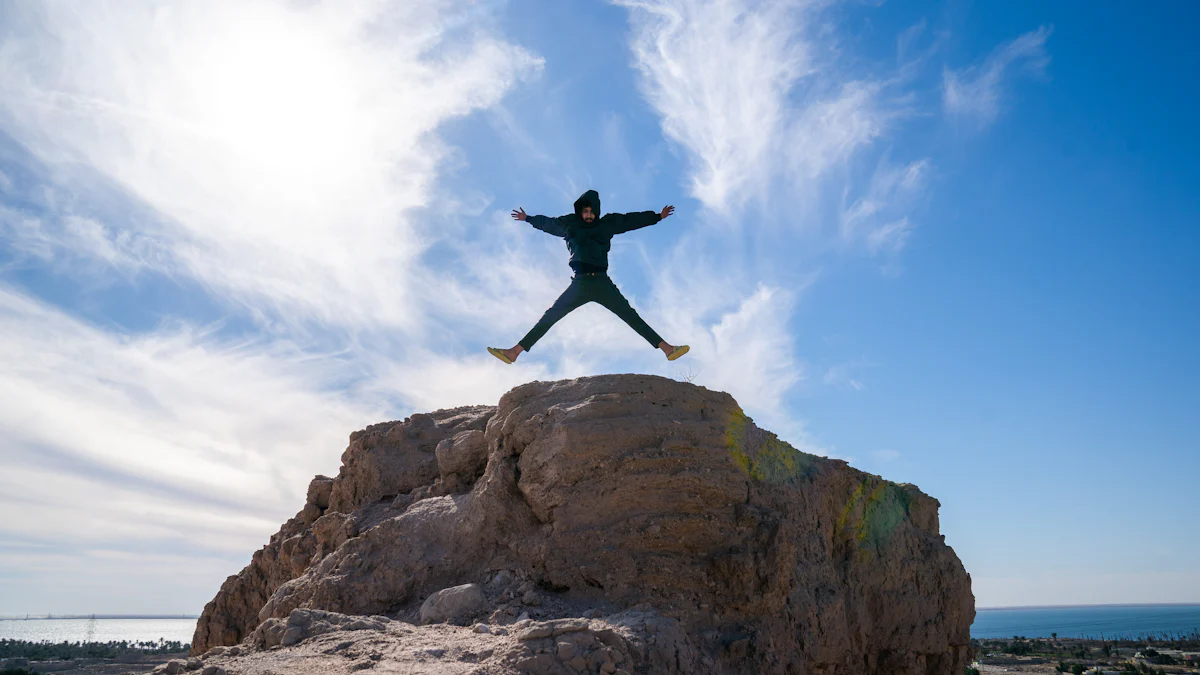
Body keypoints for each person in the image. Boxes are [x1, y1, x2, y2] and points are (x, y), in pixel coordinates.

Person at [488, 189, 689, 364]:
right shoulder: (570, 224)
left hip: (601, 282)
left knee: (630, 316)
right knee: (550, 316)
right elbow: (549, 224)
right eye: (585, 211)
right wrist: (529, 218)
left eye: (592, 211)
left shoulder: (607, 224)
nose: (589, 215)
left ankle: (667, 349)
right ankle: (514, 353)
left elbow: (629, 221)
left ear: (596, 212)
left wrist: (656, 216)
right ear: (580, 211)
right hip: (580, 282)